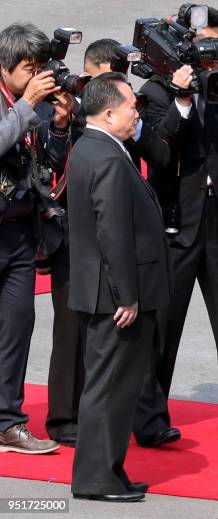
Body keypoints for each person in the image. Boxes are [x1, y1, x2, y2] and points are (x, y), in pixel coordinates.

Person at [44, 39, 192, 448]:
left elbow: (160, 154)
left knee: (131, 342)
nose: (126, 85)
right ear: (95, 75)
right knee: (76, 337)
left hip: (122, 243)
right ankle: (65, 419)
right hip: (78, 242)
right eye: (116, 73)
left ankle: (145, 420)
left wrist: (166, 111)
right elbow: (53, 168)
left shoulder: (124, 117)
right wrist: (58, 123)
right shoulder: (72, 114)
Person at [140, 4, 218, 433]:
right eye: (201, 42)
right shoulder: (154, 91)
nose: (210, 53)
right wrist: (182, 98)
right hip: (176, 222)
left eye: (216, 43)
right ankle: (151, 417)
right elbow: (158, 148)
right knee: (163, 325)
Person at [67, 73, 170, 502]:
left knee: (117, 386)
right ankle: (96, 477)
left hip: (105, 290)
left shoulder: (95, 148)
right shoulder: (106, 156)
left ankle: (110, 469)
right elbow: (112, 232)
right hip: (116, 296)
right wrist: (126, 294)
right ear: (108, 113)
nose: (136, 112)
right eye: (131, 106)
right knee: (109, 386)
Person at [0, 22, 71, 455]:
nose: (37, 76)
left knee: (17, 328)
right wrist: (27, 106)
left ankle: (8, 422)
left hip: (21, 232)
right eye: (29, 67)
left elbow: (46, 164)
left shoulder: (34, 104)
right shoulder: (23, 102)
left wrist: (59, 126)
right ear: (6, 66)